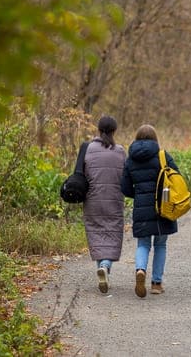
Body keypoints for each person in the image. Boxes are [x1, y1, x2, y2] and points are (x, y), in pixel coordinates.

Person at [121, 124, 179, 298]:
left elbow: (124, 187)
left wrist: (138, 195)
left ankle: (140, 270)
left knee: (143, 244)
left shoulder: (130, 159)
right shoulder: (162, 156)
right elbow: (177, 178)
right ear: (155, 139)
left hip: (141, 208)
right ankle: (156, 283)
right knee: (160, 244)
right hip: (164, 207)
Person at [82, 115, 127, 294]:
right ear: (114, 131)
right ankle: (106, 266)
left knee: (96, 232)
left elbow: (82, 173)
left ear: (98, 130)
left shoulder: (88, 149)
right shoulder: (120, 151)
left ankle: (100, 267)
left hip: (92, 198)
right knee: (112, 233)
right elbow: (125, 175)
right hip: (114, 199)